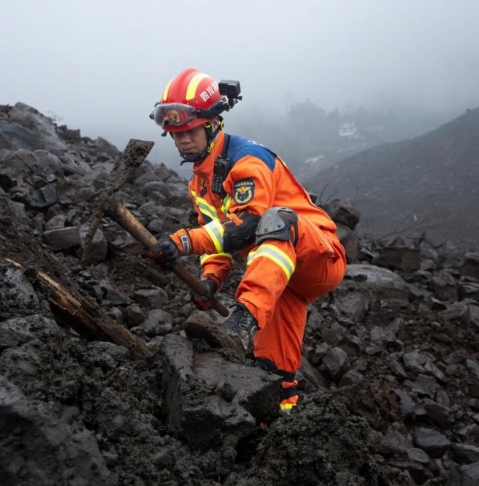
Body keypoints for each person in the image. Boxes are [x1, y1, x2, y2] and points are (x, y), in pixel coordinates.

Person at [146, 68, 347, 413]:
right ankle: (280, 425)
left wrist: (183, 242)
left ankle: (242, 320)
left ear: (212, 124)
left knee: (275, 221)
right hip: (281, 282)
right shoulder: (200, 183)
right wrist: (210, 280)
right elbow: (218, 235)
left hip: (318, 256)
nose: (182, 141)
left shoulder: (247, 159)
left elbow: (247, 226)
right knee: (270, 372)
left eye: (189, 131)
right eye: (175, 134)